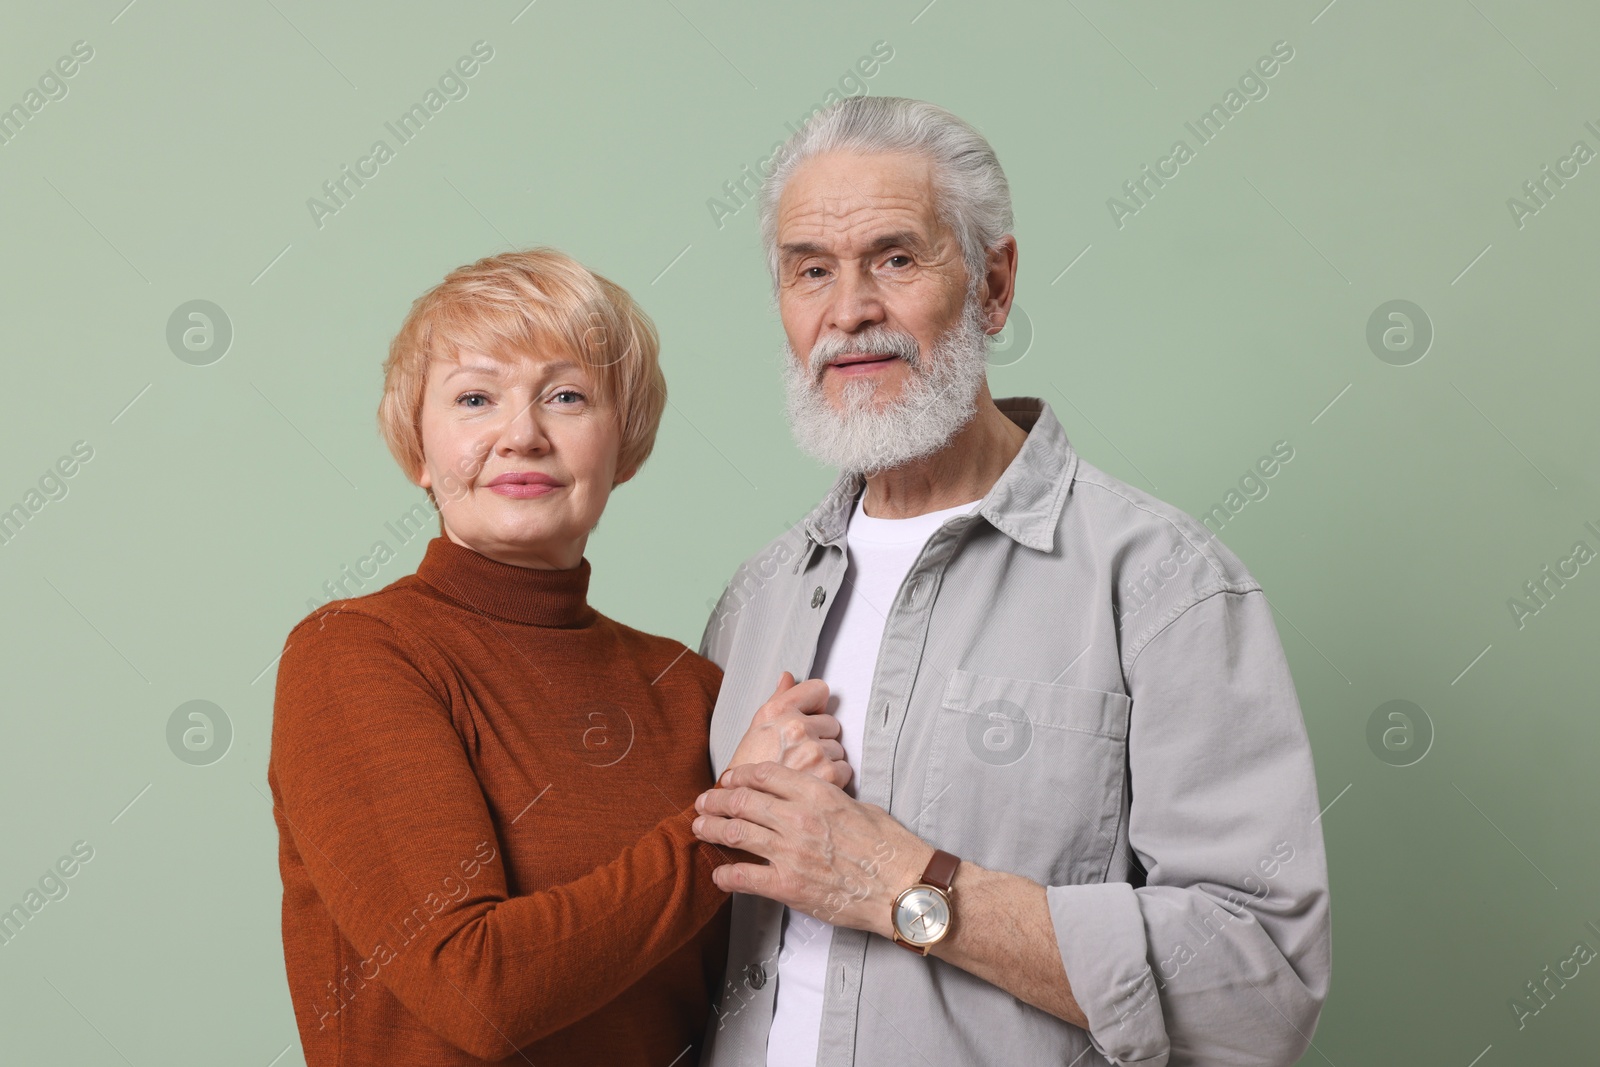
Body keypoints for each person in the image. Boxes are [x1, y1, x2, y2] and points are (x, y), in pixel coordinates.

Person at [690, 97, 1332, 1066]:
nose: (848, 308)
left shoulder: (1164, 585)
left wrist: (907, 884)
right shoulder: (751, 605)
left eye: (895, 257)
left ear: (992, 285)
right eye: (809, 269)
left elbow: (1261, 987)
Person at [266, 248, 849, 1065]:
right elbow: (475, 990)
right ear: (418, 452)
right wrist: (728, 821)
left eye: (567, 396)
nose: (522, 434)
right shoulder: (357, 654)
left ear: (626, 442)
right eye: (475, 398)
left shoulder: (689, 687)